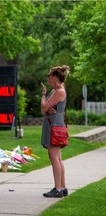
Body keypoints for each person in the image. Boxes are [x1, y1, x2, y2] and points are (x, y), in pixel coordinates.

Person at [40, 65, 70, 198]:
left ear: (55, 77)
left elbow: (43, 107)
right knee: (58, 158)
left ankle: (58, 189)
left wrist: (43, 95)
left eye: (49, 76)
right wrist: (47, 107)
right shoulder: (56, 91)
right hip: (53, 124)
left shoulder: (58, 91)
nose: (48, 78)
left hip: (55, 126)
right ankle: (62, 187)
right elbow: (46, 108)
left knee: (54, 158)